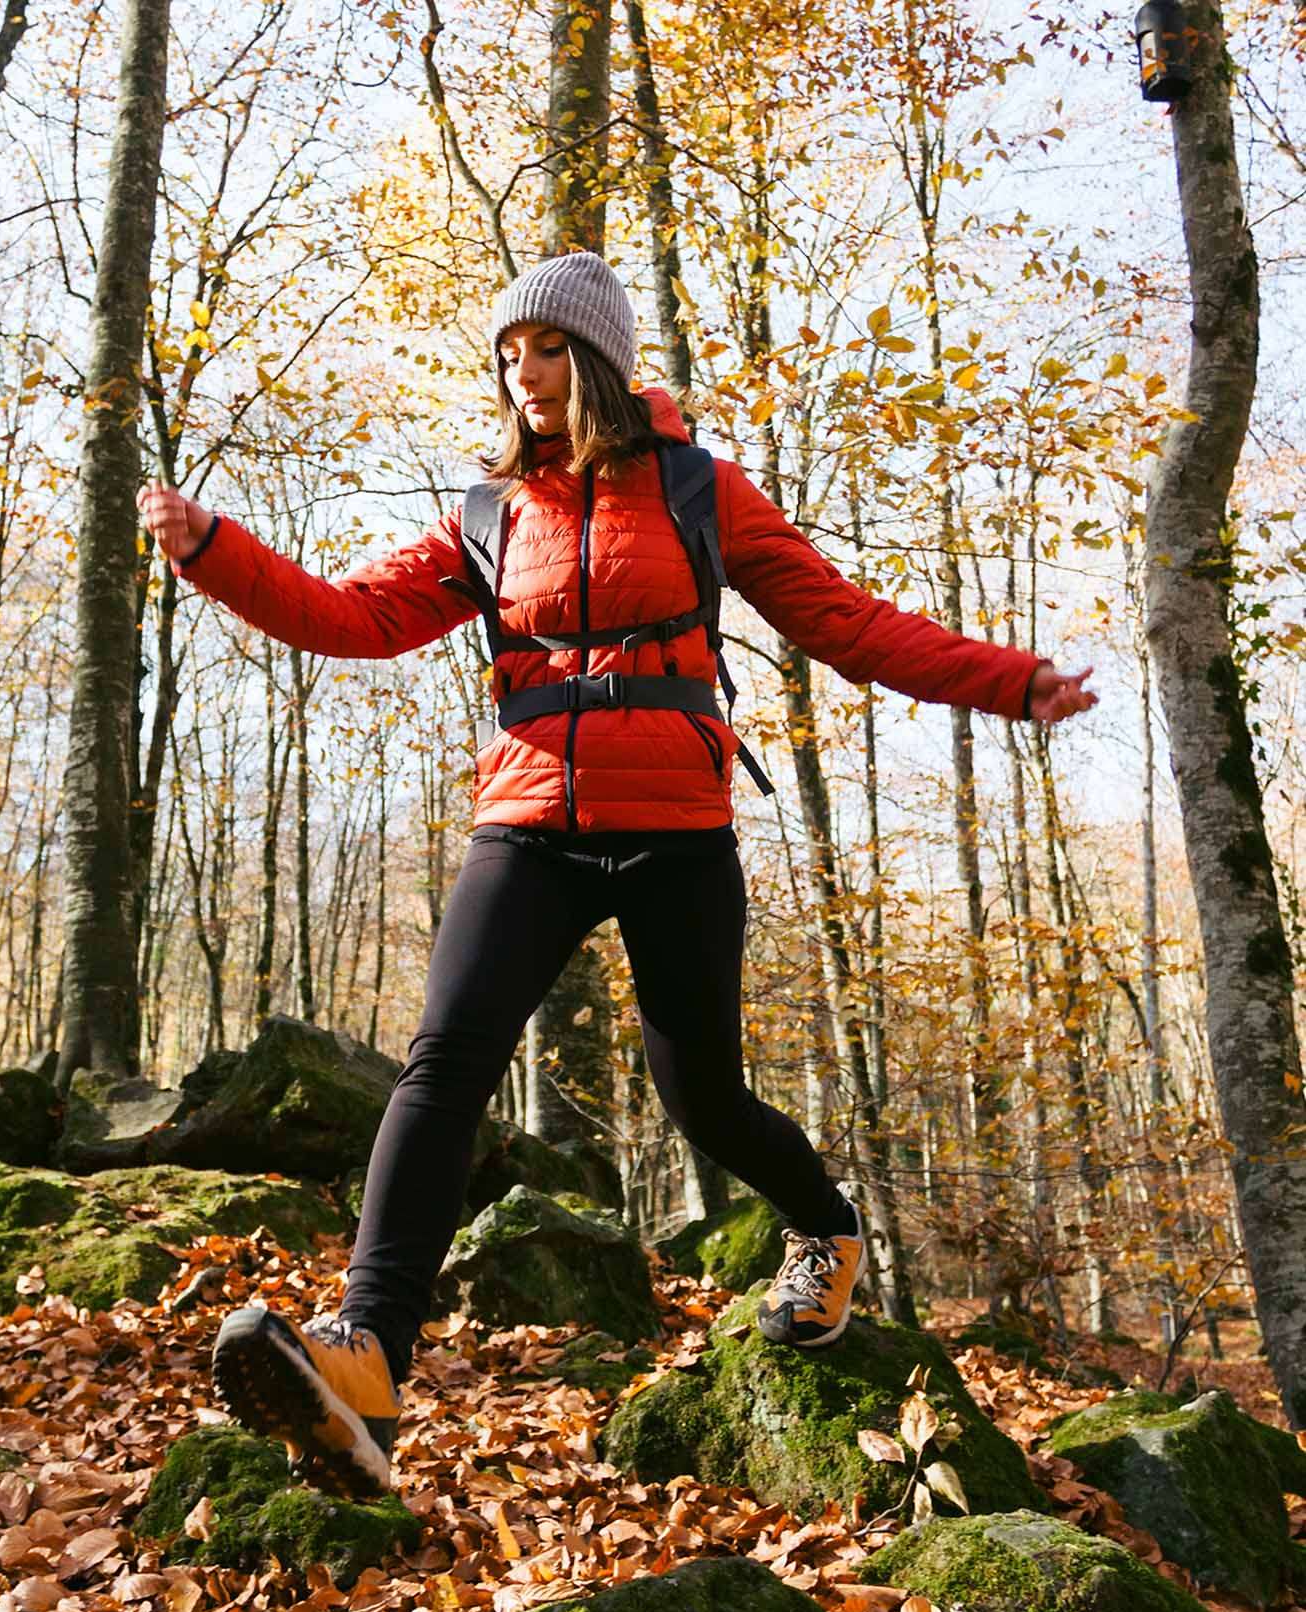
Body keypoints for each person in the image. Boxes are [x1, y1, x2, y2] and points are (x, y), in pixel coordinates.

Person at [138, 251, 1098, 1499]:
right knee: (446, 1059)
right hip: (529, 817)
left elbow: (845, 622)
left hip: (675, 827)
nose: (521, 374)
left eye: (543, 349)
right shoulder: (490, 516)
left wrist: (1006, 680)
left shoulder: (700, 489)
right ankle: (369, 1355)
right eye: (506, 354)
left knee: (701, 1093)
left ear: (594, 358)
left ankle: (827, 1229)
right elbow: (352, 618)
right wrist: (216, 549)